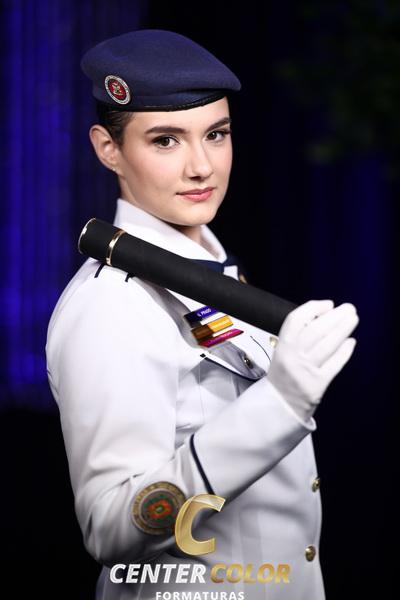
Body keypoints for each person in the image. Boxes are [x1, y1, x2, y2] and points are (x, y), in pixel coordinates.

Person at [45, 29, 359, 600]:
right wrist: (280, 403)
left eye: (216, 134)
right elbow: (111, 528)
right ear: (108, 149)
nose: (201, 166)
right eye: (165, 141)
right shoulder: (111, 305)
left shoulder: (208, 271)